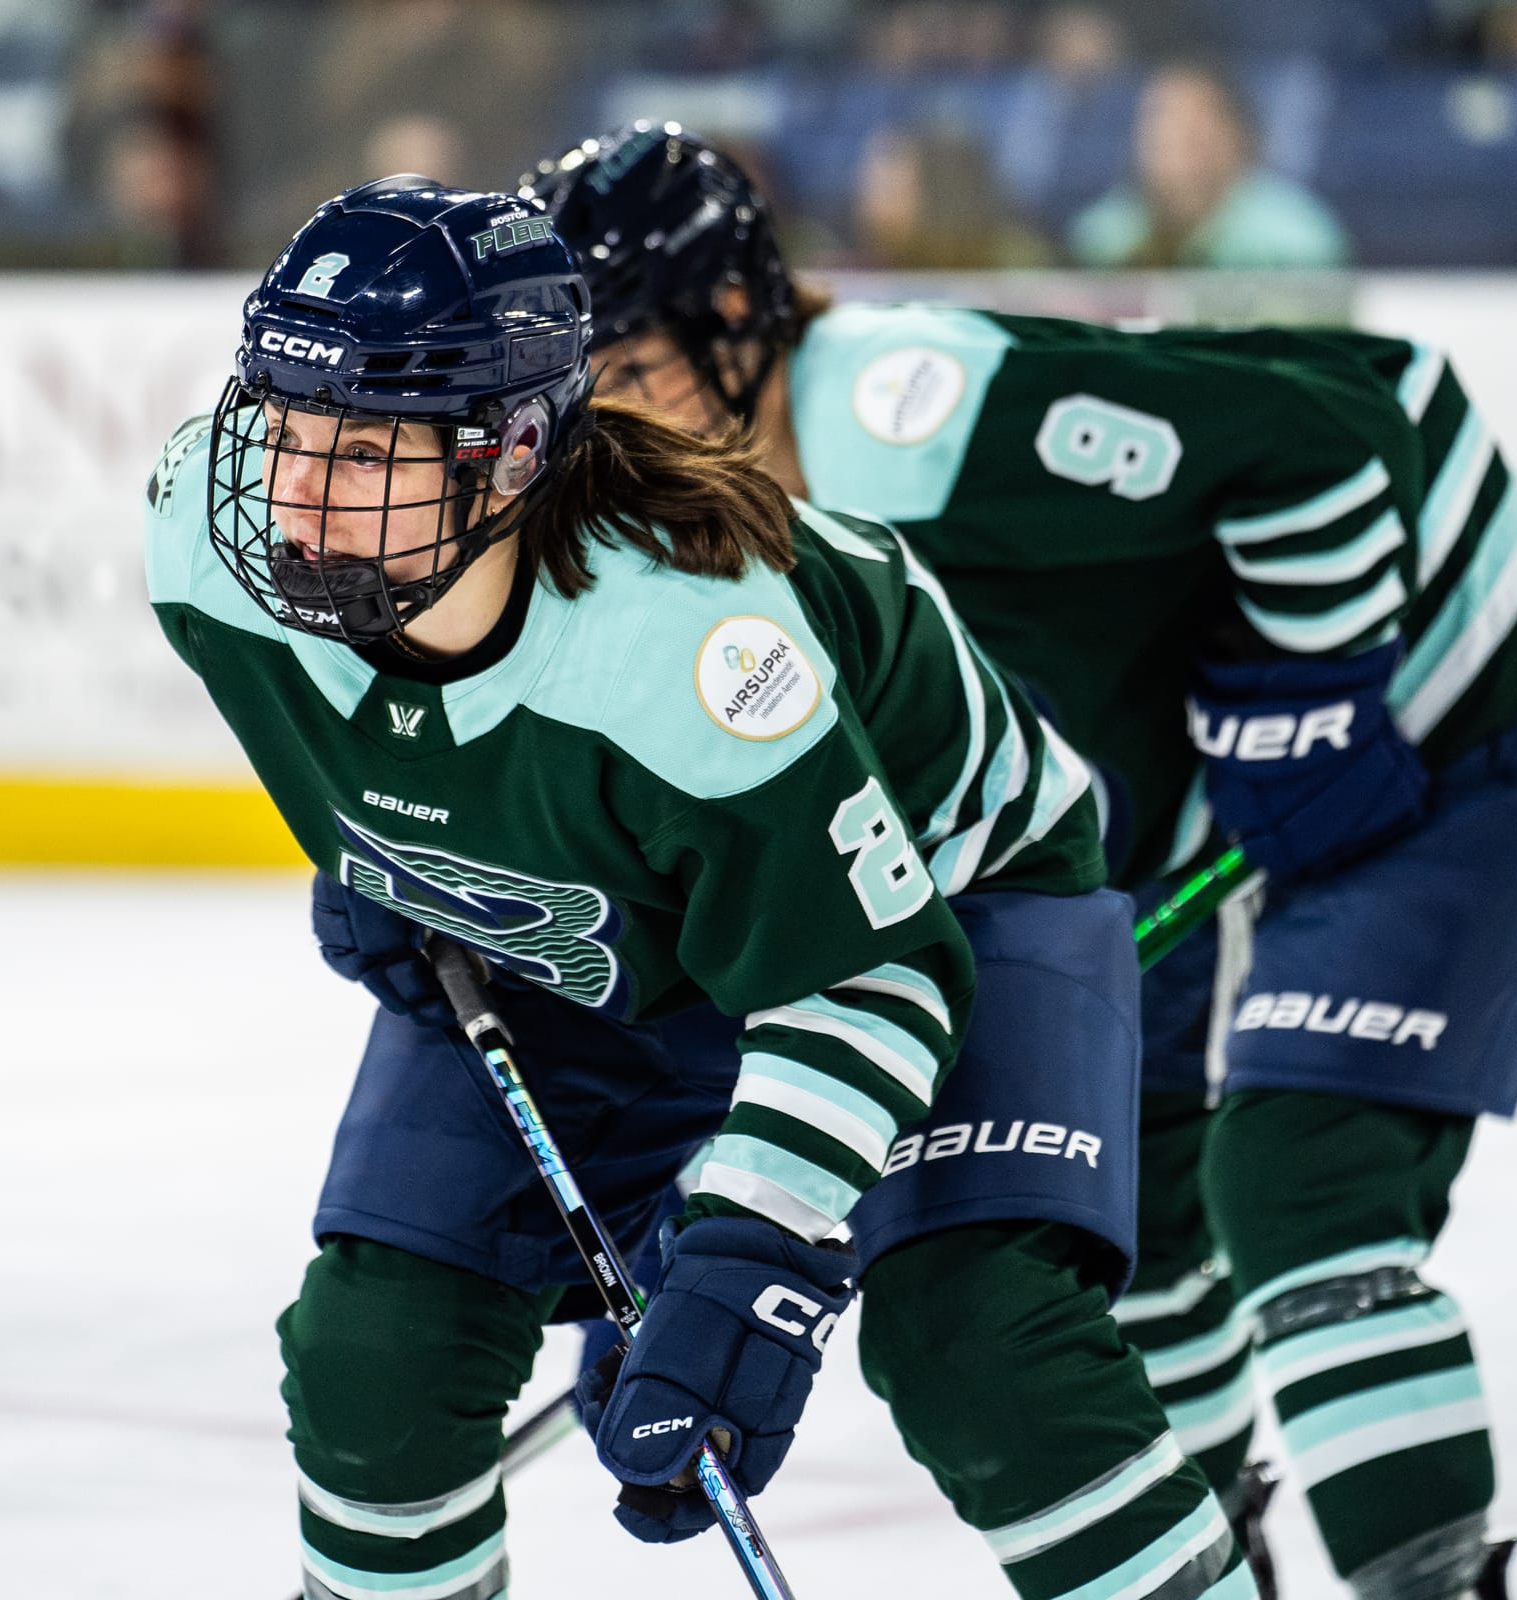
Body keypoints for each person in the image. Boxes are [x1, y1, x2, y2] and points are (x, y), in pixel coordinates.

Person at [528, 122, 1517, 1600]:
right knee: (1139, 1208)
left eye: (628, 370)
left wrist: (1310, 694)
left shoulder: (901, 419)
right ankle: (1229, 1554)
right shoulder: (710, 547)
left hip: (1455, 687)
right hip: (1173, 817)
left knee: (1303, 1184)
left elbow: (1339, 440)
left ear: (737, 326)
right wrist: (716, 1203)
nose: (609, 425)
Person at [144, 176, 1259, 1600]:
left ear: (509, 454)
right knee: (380, 1356)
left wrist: (746, 1246)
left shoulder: (686, 650)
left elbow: (865, 978)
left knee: (980, 1349)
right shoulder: (204, 538)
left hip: (937, 903)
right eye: (284, 427)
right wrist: (401, 855)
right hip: (617, 924)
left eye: (364, 452)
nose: (292, 496)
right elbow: (370, 728)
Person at [1068, 61, 1350, 269]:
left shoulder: (1295, 238)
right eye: (1159, 124)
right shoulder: (1104, 235)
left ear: (1237, 139)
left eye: (1192, 129)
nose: (1171, 141)